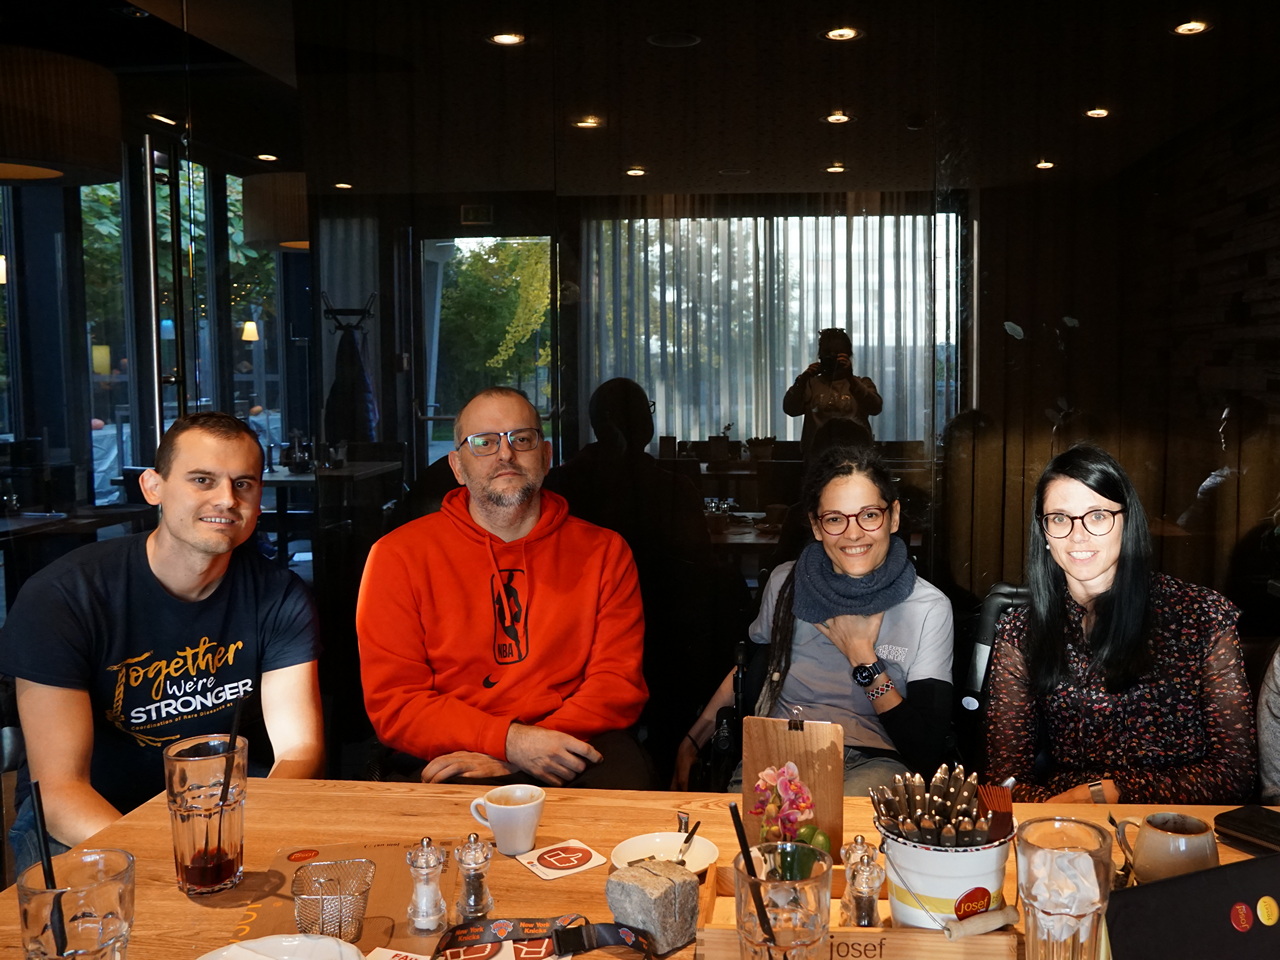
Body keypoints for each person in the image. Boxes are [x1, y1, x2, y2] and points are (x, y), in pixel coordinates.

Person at [0, 412, 325, 874]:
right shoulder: (63, 596)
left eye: (243, 484)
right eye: (202, 480)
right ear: (153, 487)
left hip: (227, 813)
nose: (226, 499)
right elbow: (60, 791)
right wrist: (175, 860)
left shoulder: (279, 595)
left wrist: (242, 834)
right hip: (87, 817)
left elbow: (299, 751)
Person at [357, 386, 651, 788]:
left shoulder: (605, 551)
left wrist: (529, 748)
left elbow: (617, 685)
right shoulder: (396, 556)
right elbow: (397, 704)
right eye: (484, 443)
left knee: (627, 801)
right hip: (453, 747)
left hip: (575, 737)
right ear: (457, 467)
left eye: (522, 439)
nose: (506, 454)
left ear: (546, 456)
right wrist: (510, 743)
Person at [672, 444, 954, 794]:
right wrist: (692, 742)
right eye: (835, 519)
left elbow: (925, 749)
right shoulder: (786, 584)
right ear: (816, 526)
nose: (853, 533)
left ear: (893, 517)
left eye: (869, 515)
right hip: (779, 750)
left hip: (875, 761)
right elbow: (748, 670)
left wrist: (863, 660)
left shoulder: (928, 607)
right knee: (758, 827)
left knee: (846, 825)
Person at [986, 444, 1257, 803]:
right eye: (1060, 518)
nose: (1078, 535)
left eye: (1097, 516)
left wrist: (1112, 791)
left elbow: (1236, 774)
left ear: (1127, 522)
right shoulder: (1021, 631)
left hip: (1179, 825)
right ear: (1044, 532)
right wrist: (1057, 814)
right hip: (1068, 821)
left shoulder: (1201, 615)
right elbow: (1003, 781)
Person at [544, 378, 745, 783]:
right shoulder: (672, 488)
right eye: (645, 411)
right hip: (668, 645)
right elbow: (701, 572)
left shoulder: (561, 484)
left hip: (575, 643)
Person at [783, 328, 882, 452]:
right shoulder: (810, 384)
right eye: (827, 352)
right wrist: (802, 380)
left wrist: (850, 378)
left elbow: (875, 408)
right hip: (818, 456)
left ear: (847, 355)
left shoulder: (861, 384)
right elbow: (790, 409)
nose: (831, 357)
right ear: (820, 355)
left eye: (837, 353)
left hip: (855, 455)